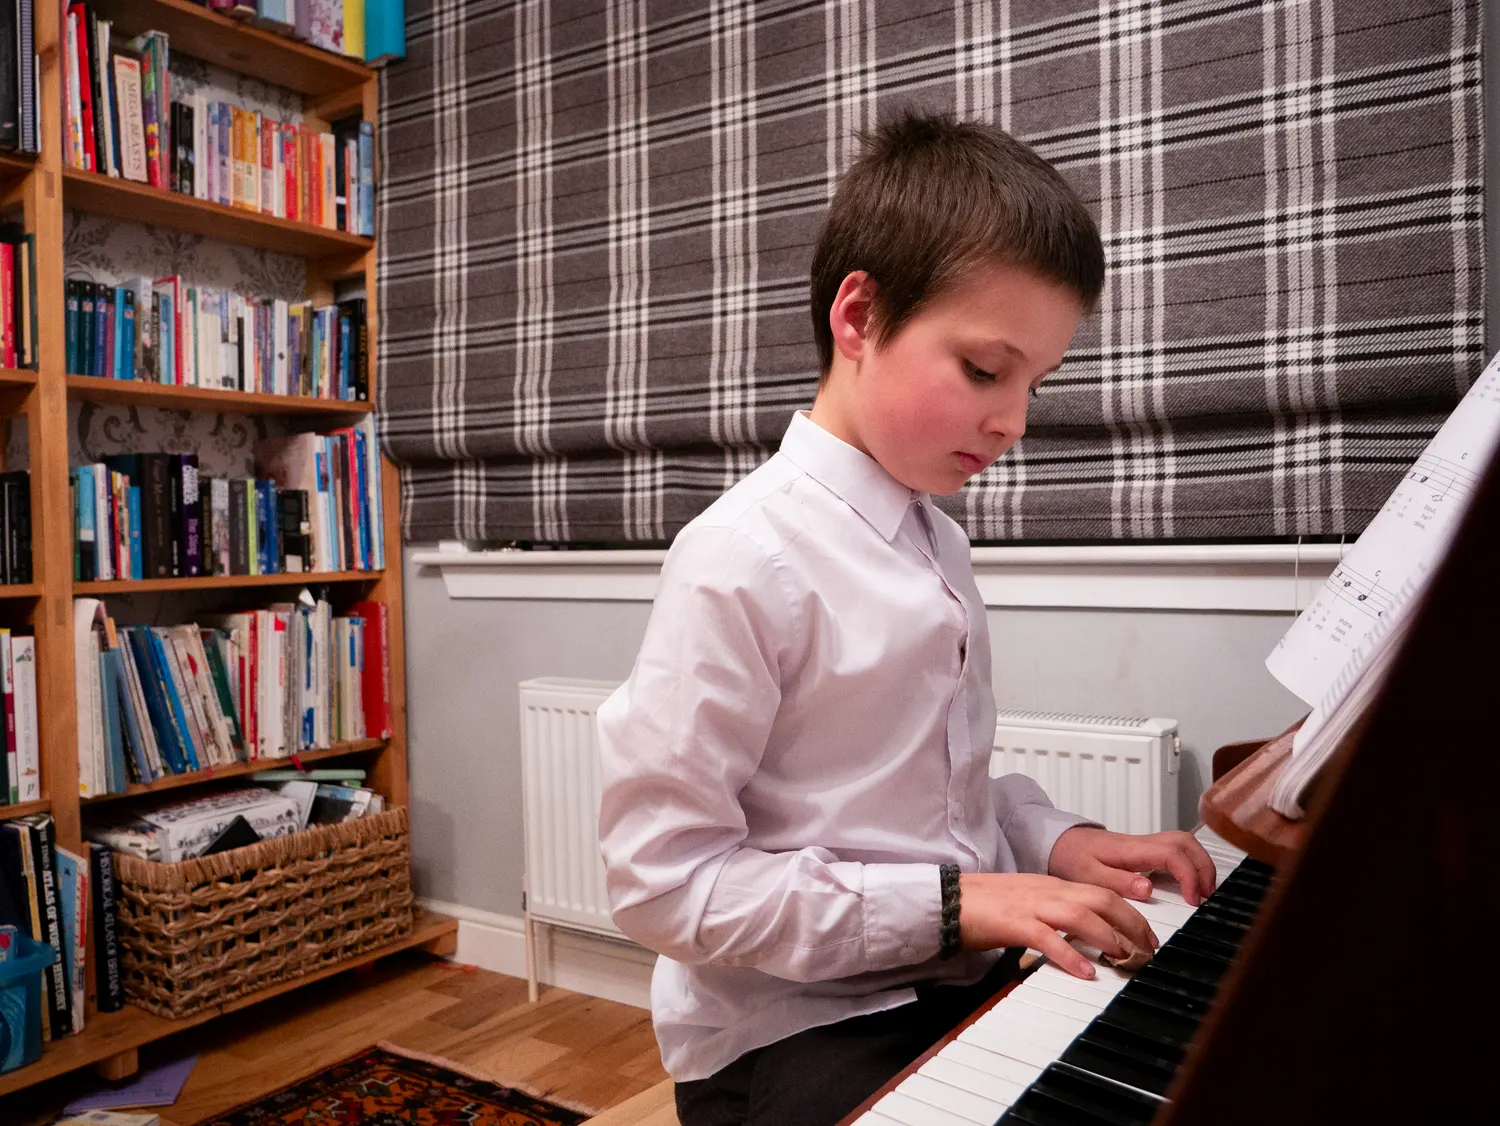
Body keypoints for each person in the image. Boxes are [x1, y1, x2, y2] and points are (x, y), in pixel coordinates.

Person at [596, 110, 1218, 1126]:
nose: (1013, 420)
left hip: (937, 976)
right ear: (859, 318)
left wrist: (1053, 840)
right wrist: (962, 902)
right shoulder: (743, 557)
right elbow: (666, 884)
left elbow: (934, 792)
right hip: (789, 1028)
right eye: (984, 369)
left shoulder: (937, 542)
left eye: (1034, 384)